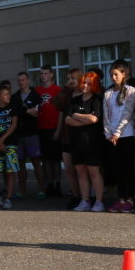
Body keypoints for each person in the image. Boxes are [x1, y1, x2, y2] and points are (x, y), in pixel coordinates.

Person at [103, 62, 135, 213]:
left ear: (124, 74)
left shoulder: (131, 91)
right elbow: (106, 115)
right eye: (111, 75)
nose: (114, 77)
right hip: (112, 137)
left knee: (128, 168)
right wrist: (108, 134)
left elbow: (127, 113)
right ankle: (121, 198)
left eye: (116, 74)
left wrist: (117, 133)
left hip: (127, 134)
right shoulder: (108, 93)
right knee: (117, 169)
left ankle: (130, 199)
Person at [67, 72, 105, 212]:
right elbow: (67, 120)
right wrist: (85, 120)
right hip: (76, 141)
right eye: (84, 82)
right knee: (80, 171)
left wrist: (77, 116)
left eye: (89, 83)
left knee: (93, 171)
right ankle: (85, 200)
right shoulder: (75, 100)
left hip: (92, 141)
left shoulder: (97, 100)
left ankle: (99, 201)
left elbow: (95, 119)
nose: (85, 85)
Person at [11, 72, 45, 199]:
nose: (21, 82)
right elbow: (15, 113)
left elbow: (36, 113)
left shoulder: (36, 95)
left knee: (36, 161)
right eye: (19, 80)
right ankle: (22, 191)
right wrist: (26, 111)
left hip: (32, 132)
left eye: (23, 80)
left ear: (28, 81)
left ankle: (41, 190)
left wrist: (23, 111)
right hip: (18, 134)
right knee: (21, 162)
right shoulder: (14, 97)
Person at [54, 68, 83, 208]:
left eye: (73, 78)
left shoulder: (85, 93)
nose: (70, 81)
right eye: (68, 79)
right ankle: (76, 196)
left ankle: (87, 196)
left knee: (82, 168)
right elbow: (59, 108)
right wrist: (58, 131)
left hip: (81, 135)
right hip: (67, 134)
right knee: (69, 168)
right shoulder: (67, 95)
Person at [35, 65, 63, 197]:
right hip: (41, 129)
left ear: (51, 75)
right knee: (46, 159)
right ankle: (49, 184)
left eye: (46, 73)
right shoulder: (36, 91)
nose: (43, 76)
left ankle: (58, 185)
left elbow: (62, 111)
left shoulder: (58, 90)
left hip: (54, 128)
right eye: (41, 74)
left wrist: (58, 130)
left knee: (56, 159)